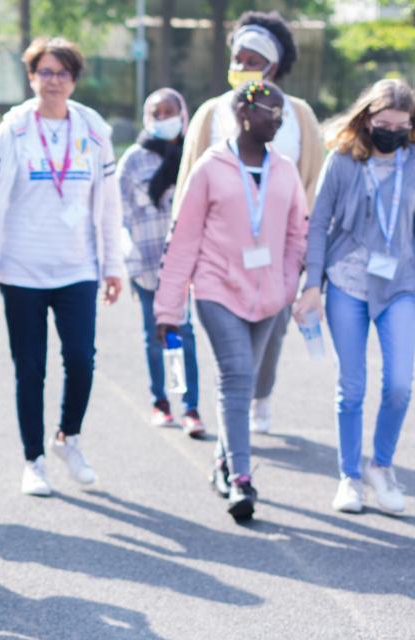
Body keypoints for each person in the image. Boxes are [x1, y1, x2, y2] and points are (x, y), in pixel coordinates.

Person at [0, 36, 123, 498]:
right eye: (44, 72)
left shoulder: (94, 130)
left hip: (78, 267)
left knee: (81, 359)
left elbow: (110, 203)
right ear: (32, 77)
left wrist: (113, 263)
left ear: (74, 79)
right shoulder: (14, 129)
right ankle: (33, 459)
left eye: (62, 72)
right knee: (30, 368)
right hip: (21, 270)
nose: (53, 81)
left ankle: (68, 438)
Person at [156, 81, 308, 521]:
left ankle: (224, 460)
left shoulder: (284, 170)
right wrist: (168, 309)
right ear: (244, 112)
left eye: (282, 113)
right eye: (270, 110)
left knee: (245, 381)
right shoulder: (211, 167)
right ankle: (242, 478)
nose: (277, 119)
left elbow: (297, 232)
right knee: (237, 376)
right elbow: (183, 241)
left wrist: (286, 281)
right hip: (218, 289)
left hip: (270, 297)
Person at [176, 11, 323, 436]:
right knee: (231, 346)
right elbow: (190, 181)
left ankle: (260, 395)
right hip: (221, 255)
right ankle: (235, 414)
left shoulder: (298, 115)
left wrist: (305, 252)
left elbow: (311, 182)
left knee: (272, 332)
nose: (240, 64)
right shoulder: (211, 112)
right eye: (236, 56)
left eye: (251, 58)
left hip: (278, 252)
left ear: (272, 67)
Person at [294, 79, 415, 515]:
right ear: (366, 118)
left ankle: (381, 467)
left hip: (399, 284)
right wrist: (312, 285)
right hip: (347, 283)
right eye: (383, 123)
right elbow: (319, 222)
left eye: (401, 126)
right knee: (352, 385)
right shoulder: (343, 161)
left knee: (401, 384)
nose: (391, 132)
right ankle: (349, 477)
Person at [116, 88, 204, 437]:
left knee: (183, 333)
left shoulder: (194, 156)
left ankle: (191, 407)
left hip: (184, 265)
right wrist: (126, 259)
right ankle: (160, 401)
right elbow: (119, 214)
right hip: (146, 261)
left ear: (182, 115)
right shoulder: (133, 160)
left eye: (170, 111)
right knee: (155, 336)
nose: (164, 118)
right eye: (157, 112)